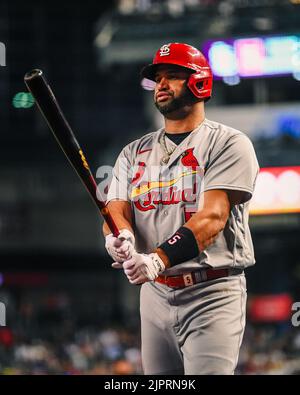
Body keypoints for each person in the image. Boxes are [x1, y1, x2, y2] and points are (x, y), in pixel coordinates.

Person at [103, 42, 259, 375]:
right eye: (157, 78)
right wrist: (121, 237)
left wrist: (158, 259)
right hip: (155, 292)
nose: (161, 84)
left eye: (172, 76)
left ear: (199, 82)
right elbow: (116, 207)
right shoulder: (133, 152)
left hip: (212, 290)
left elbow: (213, 216)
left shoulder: (229, 143)